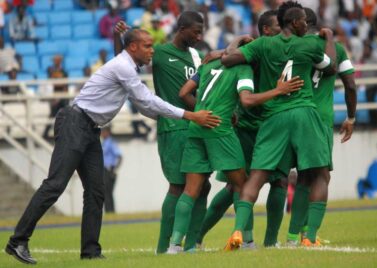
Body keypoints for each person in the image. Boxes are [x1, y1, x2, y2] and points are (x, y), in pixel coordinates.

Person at [5, 28, 220, 265]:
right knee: (55, 185)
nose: (152, 51)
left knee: (97, 192)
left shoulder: (128, 67)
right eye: (147, 46)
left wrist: (169, 118)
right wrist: (190, 115)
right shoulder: (123, 67)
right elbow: (147, 100)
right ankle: (17, 242)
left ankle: (90, 251)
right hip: (75, 123)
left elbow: (144, 106)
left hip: (89, 128)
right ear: (133, 47)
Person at [222, 1, 336, 250]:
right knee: (319, 174)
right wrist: (328, 38)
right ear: (294, 22)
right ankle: (309, 236)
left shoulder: (263, 44)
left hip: (272, 117)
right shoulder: (310, 43)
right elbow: (331, 68)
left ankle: (238, 231)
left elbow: (229, 60)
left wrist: (231, 47)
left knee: (257, 176)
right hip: (304, 113)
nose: (307, 25)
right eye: (304, 21)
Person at [166, 50, 303, 254]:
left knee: (190, 191)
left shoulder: (208, 65)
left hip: (197, 129)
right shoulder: (243, 68)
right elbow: (246, 100)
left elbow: (184, 92)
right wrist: (279, 90)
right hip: (221, 131)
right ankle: (247, 241)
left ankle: (175, 245)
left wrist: (203, 112)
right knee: (242, 185)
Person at [113, 11, 211, 254]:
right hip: (173, 127)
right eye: (195, 32)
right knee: (178, 187)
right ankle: (163, 247)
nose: (199, 36)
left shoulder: (196, 55)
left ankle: (191, 245)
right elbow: (124, 61)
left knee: (203, 185)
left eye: (202, 32)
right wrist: (119, 37)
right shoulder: (159, 53)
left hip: (197, 125)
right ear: (181, 30)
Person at [195, 10, 287, 249]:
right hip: (247, 127)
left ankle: (270, 242)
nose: (283, 27)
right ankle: (203, 236)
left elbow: (226, 55)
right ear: (266, 30)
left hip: (272, 124)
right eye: (279, 24)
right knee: (235, 186)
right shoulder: (254, 49)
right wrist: (228, 48)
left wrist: (224, 50)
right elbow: (228, 58)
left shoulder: (284, 46)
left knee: (278, 182)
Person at [286, 7, 357, 247]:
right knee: (321, 176)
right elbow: (350, 84)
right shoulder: (334, 48)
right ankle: (309, 237)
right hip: (318, 118)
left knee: (304, 177)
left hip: (289, 116)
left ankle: (295, 236)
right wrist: (351, 117)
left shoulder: (290, 47)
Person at [42, 55, 69, 140]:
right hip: (53, 95)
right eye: (55, 60)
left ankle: (64, 134)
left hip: (61, 96)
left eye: (58, 60)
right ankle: (45, 134)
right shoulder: (51, 70)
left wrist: (63, 95)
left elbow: (65, 85)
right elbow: (51, 83)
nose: (56, 61)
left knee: (65, 114)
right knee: (53, 114)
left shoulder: (64, 71)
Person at [101, 126, 122, 213]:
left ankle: (111, 211)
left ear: (108, 132)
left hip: (109, 169)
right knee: (106, 192)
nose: (102, 134)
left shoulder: (111, 142)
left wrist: (114, 169)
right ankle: (109, 212)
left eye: (103, 132)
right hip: (104, 170)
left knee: (108, 192)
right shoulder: (104, 143)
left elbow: (120, 156)